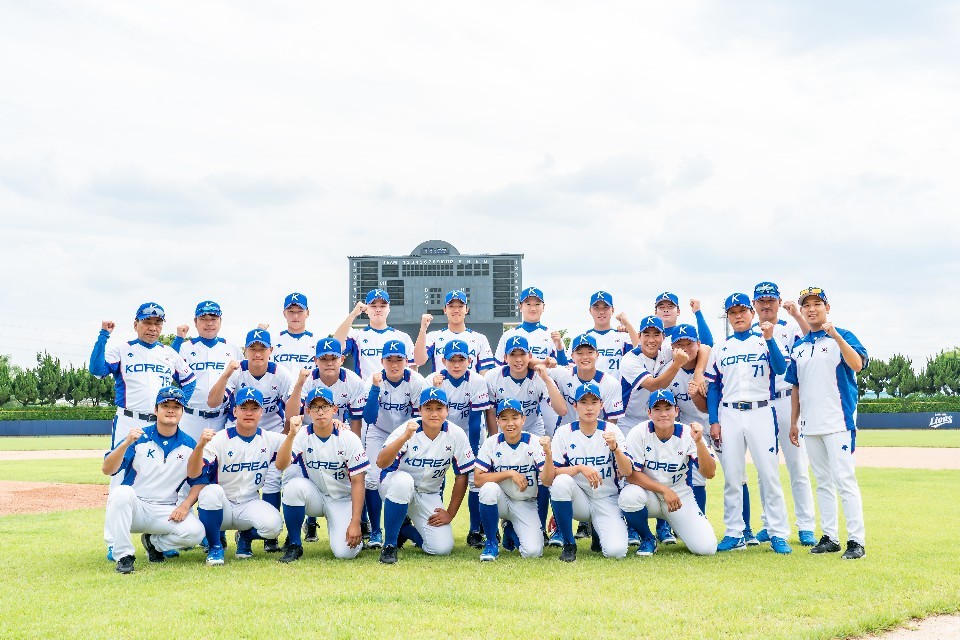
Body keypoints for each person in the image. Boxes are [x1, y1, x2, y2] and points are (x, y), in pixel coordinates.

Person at [90, 302, 196, 560]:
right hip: (129, 419)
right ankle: (114, 541)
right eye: (147, 322)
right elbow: (97, 370)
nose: (152, 327)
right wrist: (103, 336)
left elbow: (189, 380)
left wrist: (178, 403)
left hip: (160, 421)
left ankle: (164, 534)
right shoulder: (123, 349)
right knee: (118, 477)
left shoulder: (169, 353)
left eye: (157, 323)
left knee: (169, 473)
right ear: (136, 324)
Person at [706, 293, 792, 554]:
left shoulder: (765, 340)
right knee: (732, 477)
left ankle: (778, 532)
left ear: (752, 313)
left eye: (743, 310)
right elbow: (713, 388)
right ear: (728, 317)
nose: (738, 316)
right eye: (733, 312)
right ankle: (734, 531)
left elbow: (780, 369)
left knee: (769, 474)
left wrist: (769, 339)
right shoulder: (721, 347)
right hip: (730, 413)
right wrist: (713, 421)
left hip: (761, 411)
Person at [786, 287, 868, 560]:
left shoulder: (843, 335)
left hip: (838, 421)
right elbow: (796, 386)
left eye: (817, 304)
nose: (811, 309)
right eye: (806, 305)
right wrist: (794, 421)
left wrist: (834, 336)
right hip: (810, 424)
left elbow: (856, 365)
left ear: (827, 307)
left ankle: (856, 541)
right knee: (822, 482)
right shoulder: (799, 346)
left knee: (845, 480)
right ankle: (830, 537)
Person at [206, 329, 295, 553]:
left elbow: (293, 411)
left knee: (273, 480)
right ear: (245, 351)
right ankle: (218, 536)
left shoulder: (280, 373)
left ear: (271, 351)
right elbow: (213, 402)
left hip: (270, 431)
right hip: (235, 431)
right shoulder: (237, 371)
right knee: (225, 482)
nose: (257, 353)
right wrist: (226, 374)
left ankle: (262, 537)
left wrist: (287, 435)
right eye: (253, 349)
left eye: (262, 349)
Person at [102, 386, 205, 574]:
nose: (171, 409)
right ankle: (124, 555)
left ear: (183, 412)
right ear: (156, 410)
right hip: (136, 509)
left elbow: (199, 480)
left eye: (177, 406)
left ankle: (154, 544)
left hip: (166, 510)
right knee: (120, 493)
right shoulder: (139, 438)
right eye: (165, 405)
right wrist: (125, 443)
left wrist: (185, 506)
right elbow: (107, 469)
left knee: (196, 532)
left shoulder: (190, 444)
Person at [189, 387, 297, 564]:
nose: (249, 413)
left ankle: (245, 537)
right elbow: (194, 473)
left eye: (254, 408)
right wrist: (200, 446)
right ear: (234, 411)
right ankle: (216, 547)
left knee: (274, 526)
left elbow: (287, 458)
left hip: (249, 503)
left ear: (261, 412)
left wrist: (294, 433)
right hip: (220, 504)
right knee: (210, 492)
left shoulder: (271, 438)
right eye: (243, 408)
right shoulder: (219, 438)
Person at [750, 282, 817, 547]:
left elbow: (812, 336)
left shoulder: (791, 327)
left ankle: (806, 526)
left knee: (797, 467)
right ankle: (770, 523)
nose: (766, 304)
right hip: (763, 403)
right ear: (754, 305)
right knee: (764, 470)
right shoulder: (749, 331)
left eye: (771, 299)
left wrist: (797, 315)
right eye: (761, 300)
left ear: (779, 302)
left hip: (788, 400)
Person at [375, 388, 476, 564]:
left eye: (439, 408)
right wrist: (404, 438)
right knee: (404, 481)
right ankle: (390, 544)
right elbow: (381, 463)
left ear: (447, 410)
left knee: (441, 548)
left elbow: (461, 475)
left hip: (428, 493)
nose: (434, 413)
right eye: (428, 408)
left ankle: (406, 530)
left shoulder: (456, 434)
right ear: (420, 410)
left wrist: (450, 513)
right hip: (394, 486)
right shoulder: (407, 429)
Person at [619, 390, 718, 557]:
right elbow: (630, 474)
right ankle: (648, 538)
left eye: (668, 408)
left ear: (676, 411)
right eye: (657, 409)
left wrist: (699, 441)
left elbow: (709, 472)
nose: (663, 414)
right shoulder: (638, 432)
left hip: (679, 496)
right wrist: (664, 490)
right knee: (629, 497)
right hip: (648, 493)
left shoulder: (689, 433)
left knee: (706, 548)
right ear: (649, 412)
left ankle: (679, 528)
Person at [274, 388, 368, 562]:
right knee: (293, 487)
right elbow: (280, 465)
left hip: (343, 499)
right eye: (314, 407)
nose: (320, 412)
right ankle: (295, 543)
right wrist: (291, 435)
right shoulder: (302, 434)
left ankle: (359, 525)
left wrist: (355, 521)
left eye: (324, 406)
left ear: (334, 409)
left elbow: (358, 481)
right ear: (307, 411)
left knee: (344, 553)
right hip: (316, 496)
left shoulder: (348, 437)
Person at [546, 382, 633, 562]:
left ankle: (597, 532)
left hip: (607, 498)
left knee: (616, 552)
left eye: (594, 402)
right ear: (575, 406)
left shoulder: (612, 430)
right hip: (579, 500)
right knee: (561, 482)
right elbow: (551, 474)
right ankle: (569, 543)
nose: (589, 407)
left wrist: (615, 449)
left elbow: (627, 471)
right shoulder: (564, 432)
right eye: (583, 402)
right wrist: (579, 468)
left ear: (601, 405)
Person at [360, 340, 428, 549]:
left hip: (407, 433)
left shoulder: (416, 381)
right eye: (389, 360)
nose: (394, 364)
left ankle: (406, 524)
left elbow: (420, 418)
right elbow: (369, 418)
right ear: (382, 361)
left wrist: (407, 438)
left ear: (406, 361)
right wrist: (374, 389)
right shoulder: (373, 381)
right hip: (379, 431)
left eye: (399, 359)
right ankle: (375, 531)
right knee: (371, 479)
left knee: (413, 477)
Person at [430, 339, 492, 548]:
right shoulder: (434, 380)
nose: (457, 365)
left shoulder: (476, 381)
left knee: (475, 480)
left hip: (468, 433)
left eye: (461, 359)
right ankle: (431, 523)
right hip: (440, 434)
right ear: (443, 360)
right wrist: (435, 389)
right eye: (452, 360)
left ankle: (475, 530)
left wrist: (472, 455)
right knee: (434, 476)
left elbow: (475, 422)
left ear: (470, 360)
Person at [474, 399, 552, 561]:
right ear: (497, 421)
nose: (510, 423)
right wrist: (510, 473)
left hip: (526, 502)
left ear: (523, 419)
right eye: (504, 418)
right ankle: (491, 542)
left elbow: (547, 480)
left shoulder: (534, 443)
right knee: (488, 489)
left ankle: (510, 530)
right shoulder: (491, 443)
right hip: (501, 500)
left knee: (532, 552)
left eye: (515, 418)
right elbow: (478, 479)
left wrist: (549, 454)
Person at [172, 301, 242, 442]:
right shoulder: (185, 347)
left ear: (220, 321)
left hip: (222, 419)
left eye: (213, 319)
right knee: (186, 461)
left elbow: (242, 381)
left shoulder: (233, 348)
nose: (209, 323)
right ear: (195, 321)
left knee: (220, 461)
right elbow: (168, 366)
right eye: (203, 319)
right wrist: (178, 339)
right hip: (191, 417)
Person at [618, 316, 690, 437]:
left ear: (663, 337)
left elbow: (703, 347)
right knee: (630, 456)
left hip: (657, 418)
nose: (651, 340)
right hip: (630, 419)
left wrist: (698, 372)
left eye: (656, 334)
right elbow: (653, 386)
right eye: (646, 334)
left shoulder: (666, 350)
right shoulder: (630, 360)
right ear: (639, 337)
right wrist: (677, 364)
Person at [334, 289, 416, 378]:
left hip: (394, 390)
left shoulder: (402, 337)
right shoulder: (357, 336)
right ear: (366, 309)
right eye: (373, 306)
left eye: (382, 306)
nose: (378, 310)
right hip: (365, 390)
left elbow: (413, 367)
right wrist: (353, 314)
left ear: (389, 309)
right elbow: (335, 344)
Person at [414, 290, 496, 374]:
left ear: (466, 310)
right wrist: (423, 329)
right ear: (445, 310)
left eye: (460, 306)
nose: (456, 310)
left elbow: (485, 372)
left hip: (469, 386)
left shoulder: (480, 339)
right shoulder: (434, 337)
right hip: (440, 385)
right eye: (451, 306)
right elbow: (419, 361)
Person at [581, 290, 638, 378]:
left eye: (605, 307)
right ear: (590, 310)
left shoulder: (623, 337)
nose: (601, 312)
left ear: (613, 310)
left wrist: (628, 325)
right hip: (590, 390)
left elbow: (641, 350)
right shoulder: (582, 339)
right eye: (596, 307)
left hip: (618, 390)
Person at [271, 292, 319, 373]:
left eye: (300, 311)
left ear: (307, 313)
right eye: (291, 311)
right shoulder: (272, 342)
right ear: (284, 313)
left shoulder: (317, 342)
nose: (295, 316)